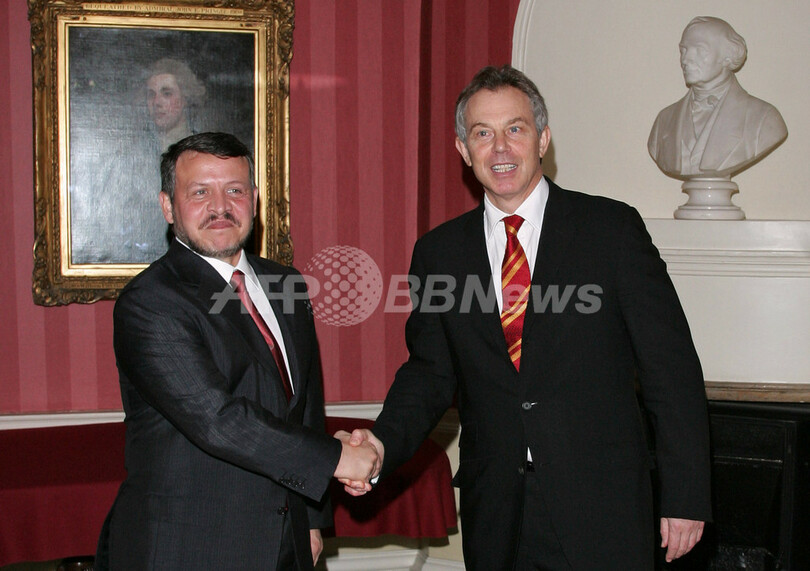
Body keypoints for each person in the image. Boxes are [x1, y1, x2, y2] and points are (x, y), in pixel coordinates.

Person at [343, 65, 712, 569]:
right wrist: (382, 443)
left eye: (515, 129)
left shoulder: (611, 231)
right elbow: (429, 373)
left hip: (603, 512)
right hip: (498, 514)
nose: (500, 148)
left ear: (543, 139)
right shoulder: (439, 254)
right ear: (463, 149)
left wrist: (686, 495)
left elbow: (670, 369)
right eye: (483, 133)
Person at [96, 132, 380, 570]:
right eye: (200, 192)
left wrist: (311, 521)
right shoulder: (150, 301)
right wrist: (338, 459)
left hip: (285, 542)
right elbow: (219, 420)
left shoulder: (286, 283)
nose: (220, 207)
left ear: (255, 199)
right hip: (187, 549)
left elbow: (304, 407)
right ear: (168, 207)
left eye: (234, 190)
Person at [71, 58, 206, 264]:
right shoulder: (130, 156)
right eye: (151, 95)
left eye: (166, 93)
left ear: (186, 98)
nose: (157, 102)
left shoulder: (204, 155)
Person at [648, 16, 787, 179]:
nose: (685, 59)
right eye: (683, 50)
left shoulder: (764, 118)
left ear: (728, 57)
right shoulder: (664, 120)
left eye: (700, 50)